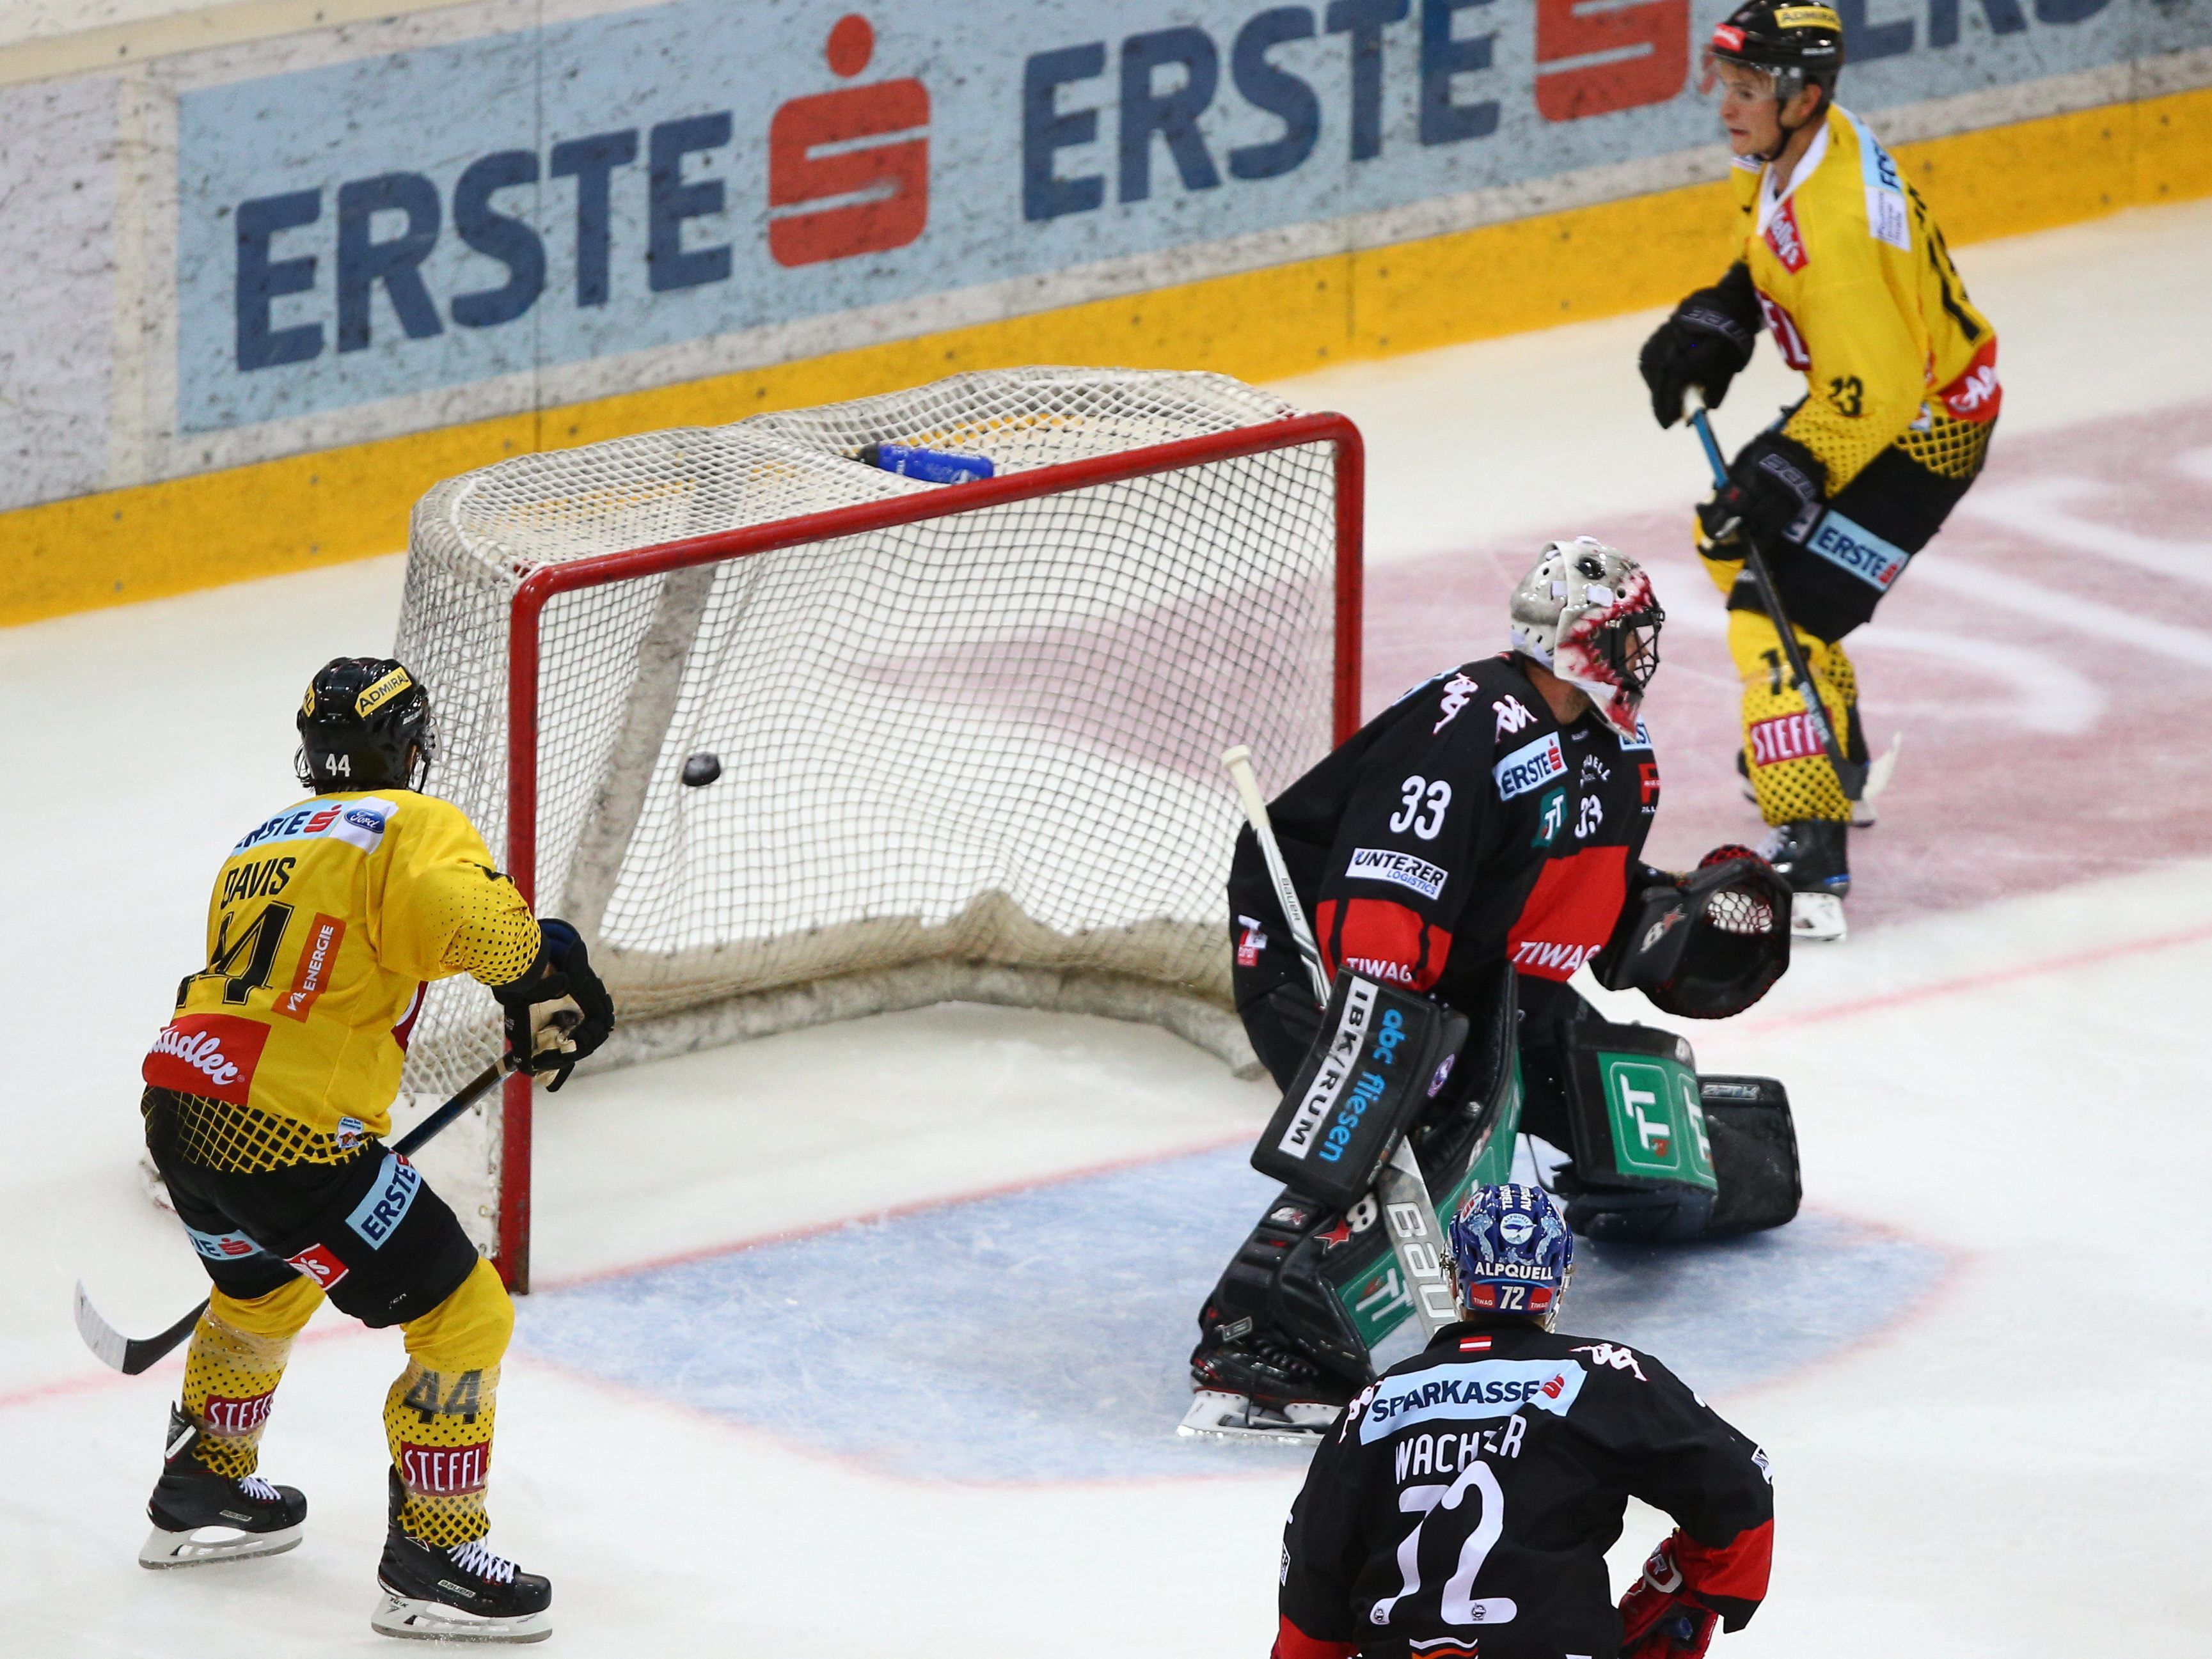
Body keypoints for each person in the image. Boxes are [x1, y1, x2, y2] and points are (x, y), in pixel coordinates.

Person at [1189, 541, 1791, 1435]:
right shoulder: (1470, 725)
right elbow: (1382, 892)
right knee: (1387, 1122)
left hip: (1477, 961)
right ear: (1574, 640)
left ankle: (1678, 1169)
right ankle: (1260, 1345)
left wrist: (1654, 925)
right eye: (1624, 635)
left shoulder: (1617, 744)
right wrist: (1400, 1051)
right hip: (1325, 949)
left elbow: (1572, 885)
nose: (1642, 653)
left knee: (1592, 1087)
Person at [136, 657, 613, 1643]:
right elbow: (463, 919)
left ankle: (203, 1484)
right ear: (406, 747)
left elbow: (339, 956)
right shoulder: (408, 819)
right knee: (464, 1312)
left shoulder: (260, 842)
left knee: (262, 1292)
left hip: (181, 1105)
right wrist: (537, 973)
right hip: (285, 1131)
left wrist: (535, 967)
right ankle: (434, 1559)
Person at [1638, 0, 2000, 942]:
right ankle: (1831, 751)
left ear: (1803, 97)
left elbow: (1880, 392)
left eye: (1748, 89)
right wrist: (1723, 317)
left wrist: (1786, 475)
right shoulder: (1791, 153)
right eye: (1725, 82)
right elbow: (1769, 252)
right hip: (1881, 400)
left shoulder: (1838, 223)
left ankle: (1811, 853)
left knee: (1774, 608)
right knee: (1730, 544)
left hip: (1920, 430)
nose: (1726, 105)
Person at [1273, 1183, 1774, 1659]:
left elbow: (1312, 1580)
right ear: (1558, 1280)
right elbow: (1742, 1492)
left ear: (1455, 1277)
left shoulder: (1375, 1403)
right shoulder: (1606, 1375)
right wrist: (1676, 1599)